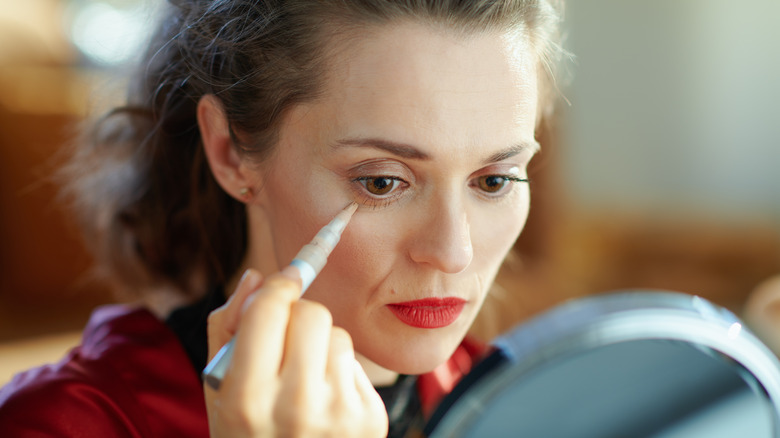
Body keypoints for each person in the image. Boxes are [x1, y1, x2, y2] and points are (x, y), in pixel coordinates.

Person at [0, 0, 565, 436]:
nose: (452, 251)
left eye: (493, 181)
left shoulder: (529, 407)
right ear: (231, 153)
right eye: (382, 182)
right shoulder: (65, 423)